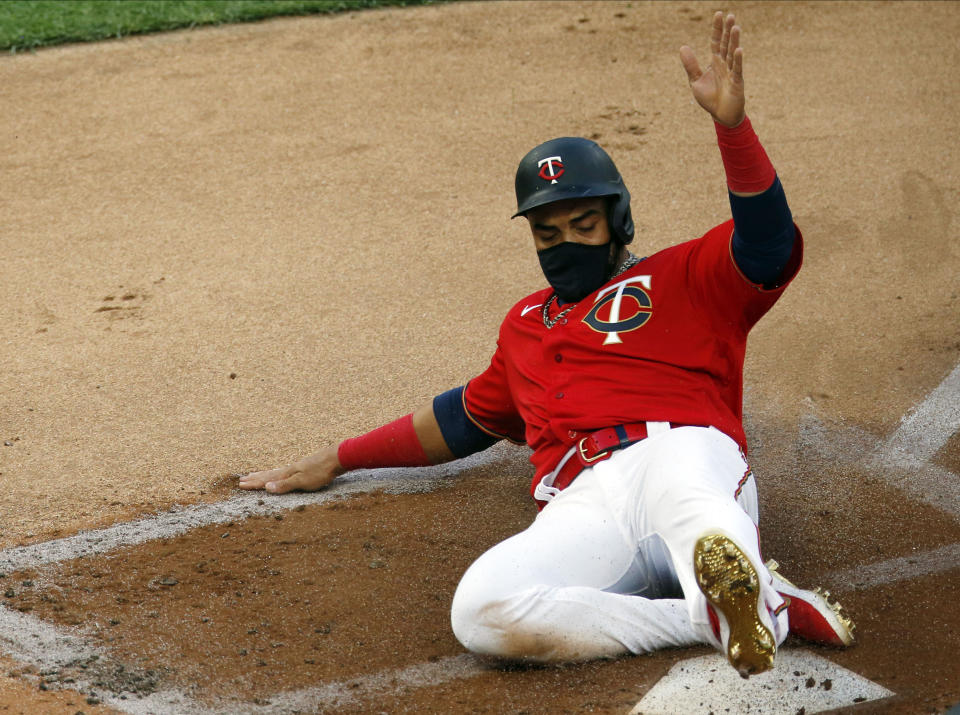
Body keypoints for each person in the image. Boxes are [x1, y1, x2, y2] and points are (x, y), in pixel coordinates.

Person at [239, 12, 854, 678]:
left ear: (617, 219)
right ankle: (737, 614)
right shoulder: (526, 324)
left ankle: (734, 585)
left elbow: (766, 242)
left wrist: (732, 129)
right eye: (546, 232)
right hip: (584, 499)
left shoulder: (685, 276)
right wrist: (336, 456)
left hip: (680, 449)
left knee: (701, 519)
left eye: (583, 224)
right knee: (481, 609)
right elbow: (461, 418)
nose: (564, 243)